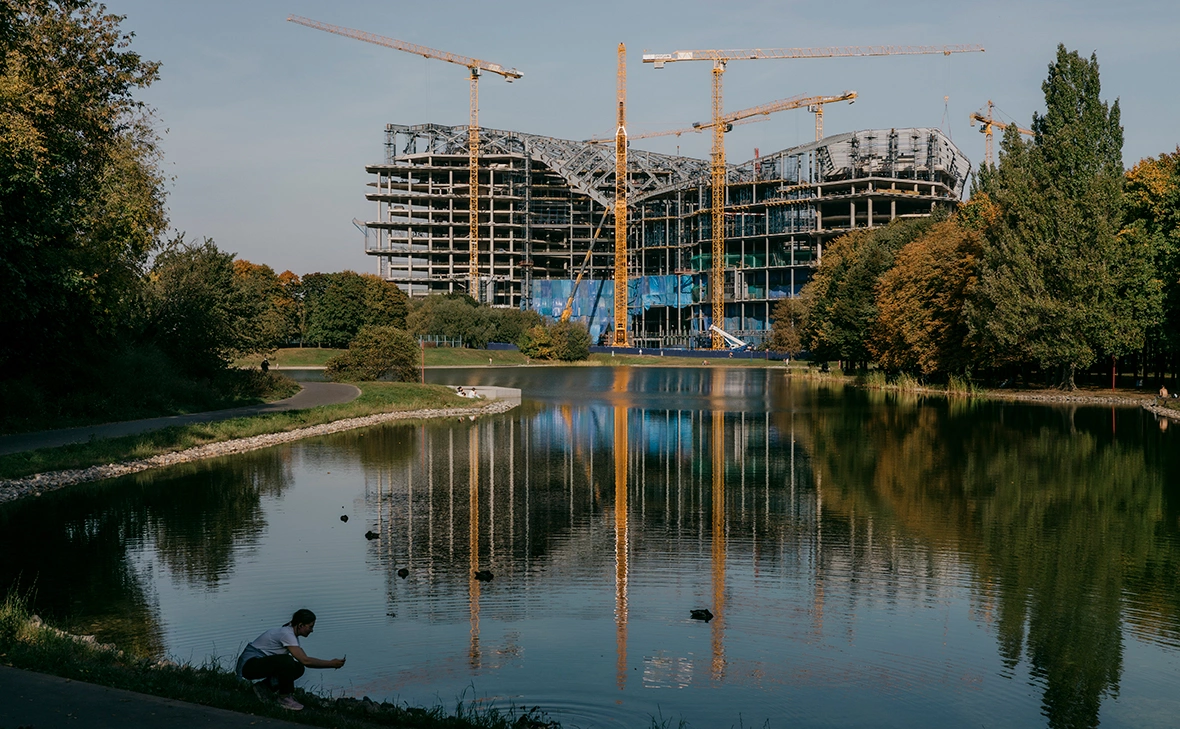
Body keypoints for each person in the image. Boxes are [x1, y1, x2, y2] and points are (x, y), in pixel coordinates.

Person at [235, 609, 345, 711]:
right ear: (301, 625)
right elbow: (305, 660)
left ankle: (263, 688)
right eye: (310, 627)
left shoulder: (291, 634)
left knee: (298, 668)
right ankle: (284, 698)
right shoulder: (287, 634)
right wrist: (331, 664)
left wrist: (331, 663)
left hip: (256, 663)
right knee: (287, 661)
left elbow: (303, 661)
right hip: (248, 666)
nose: (312, 630)